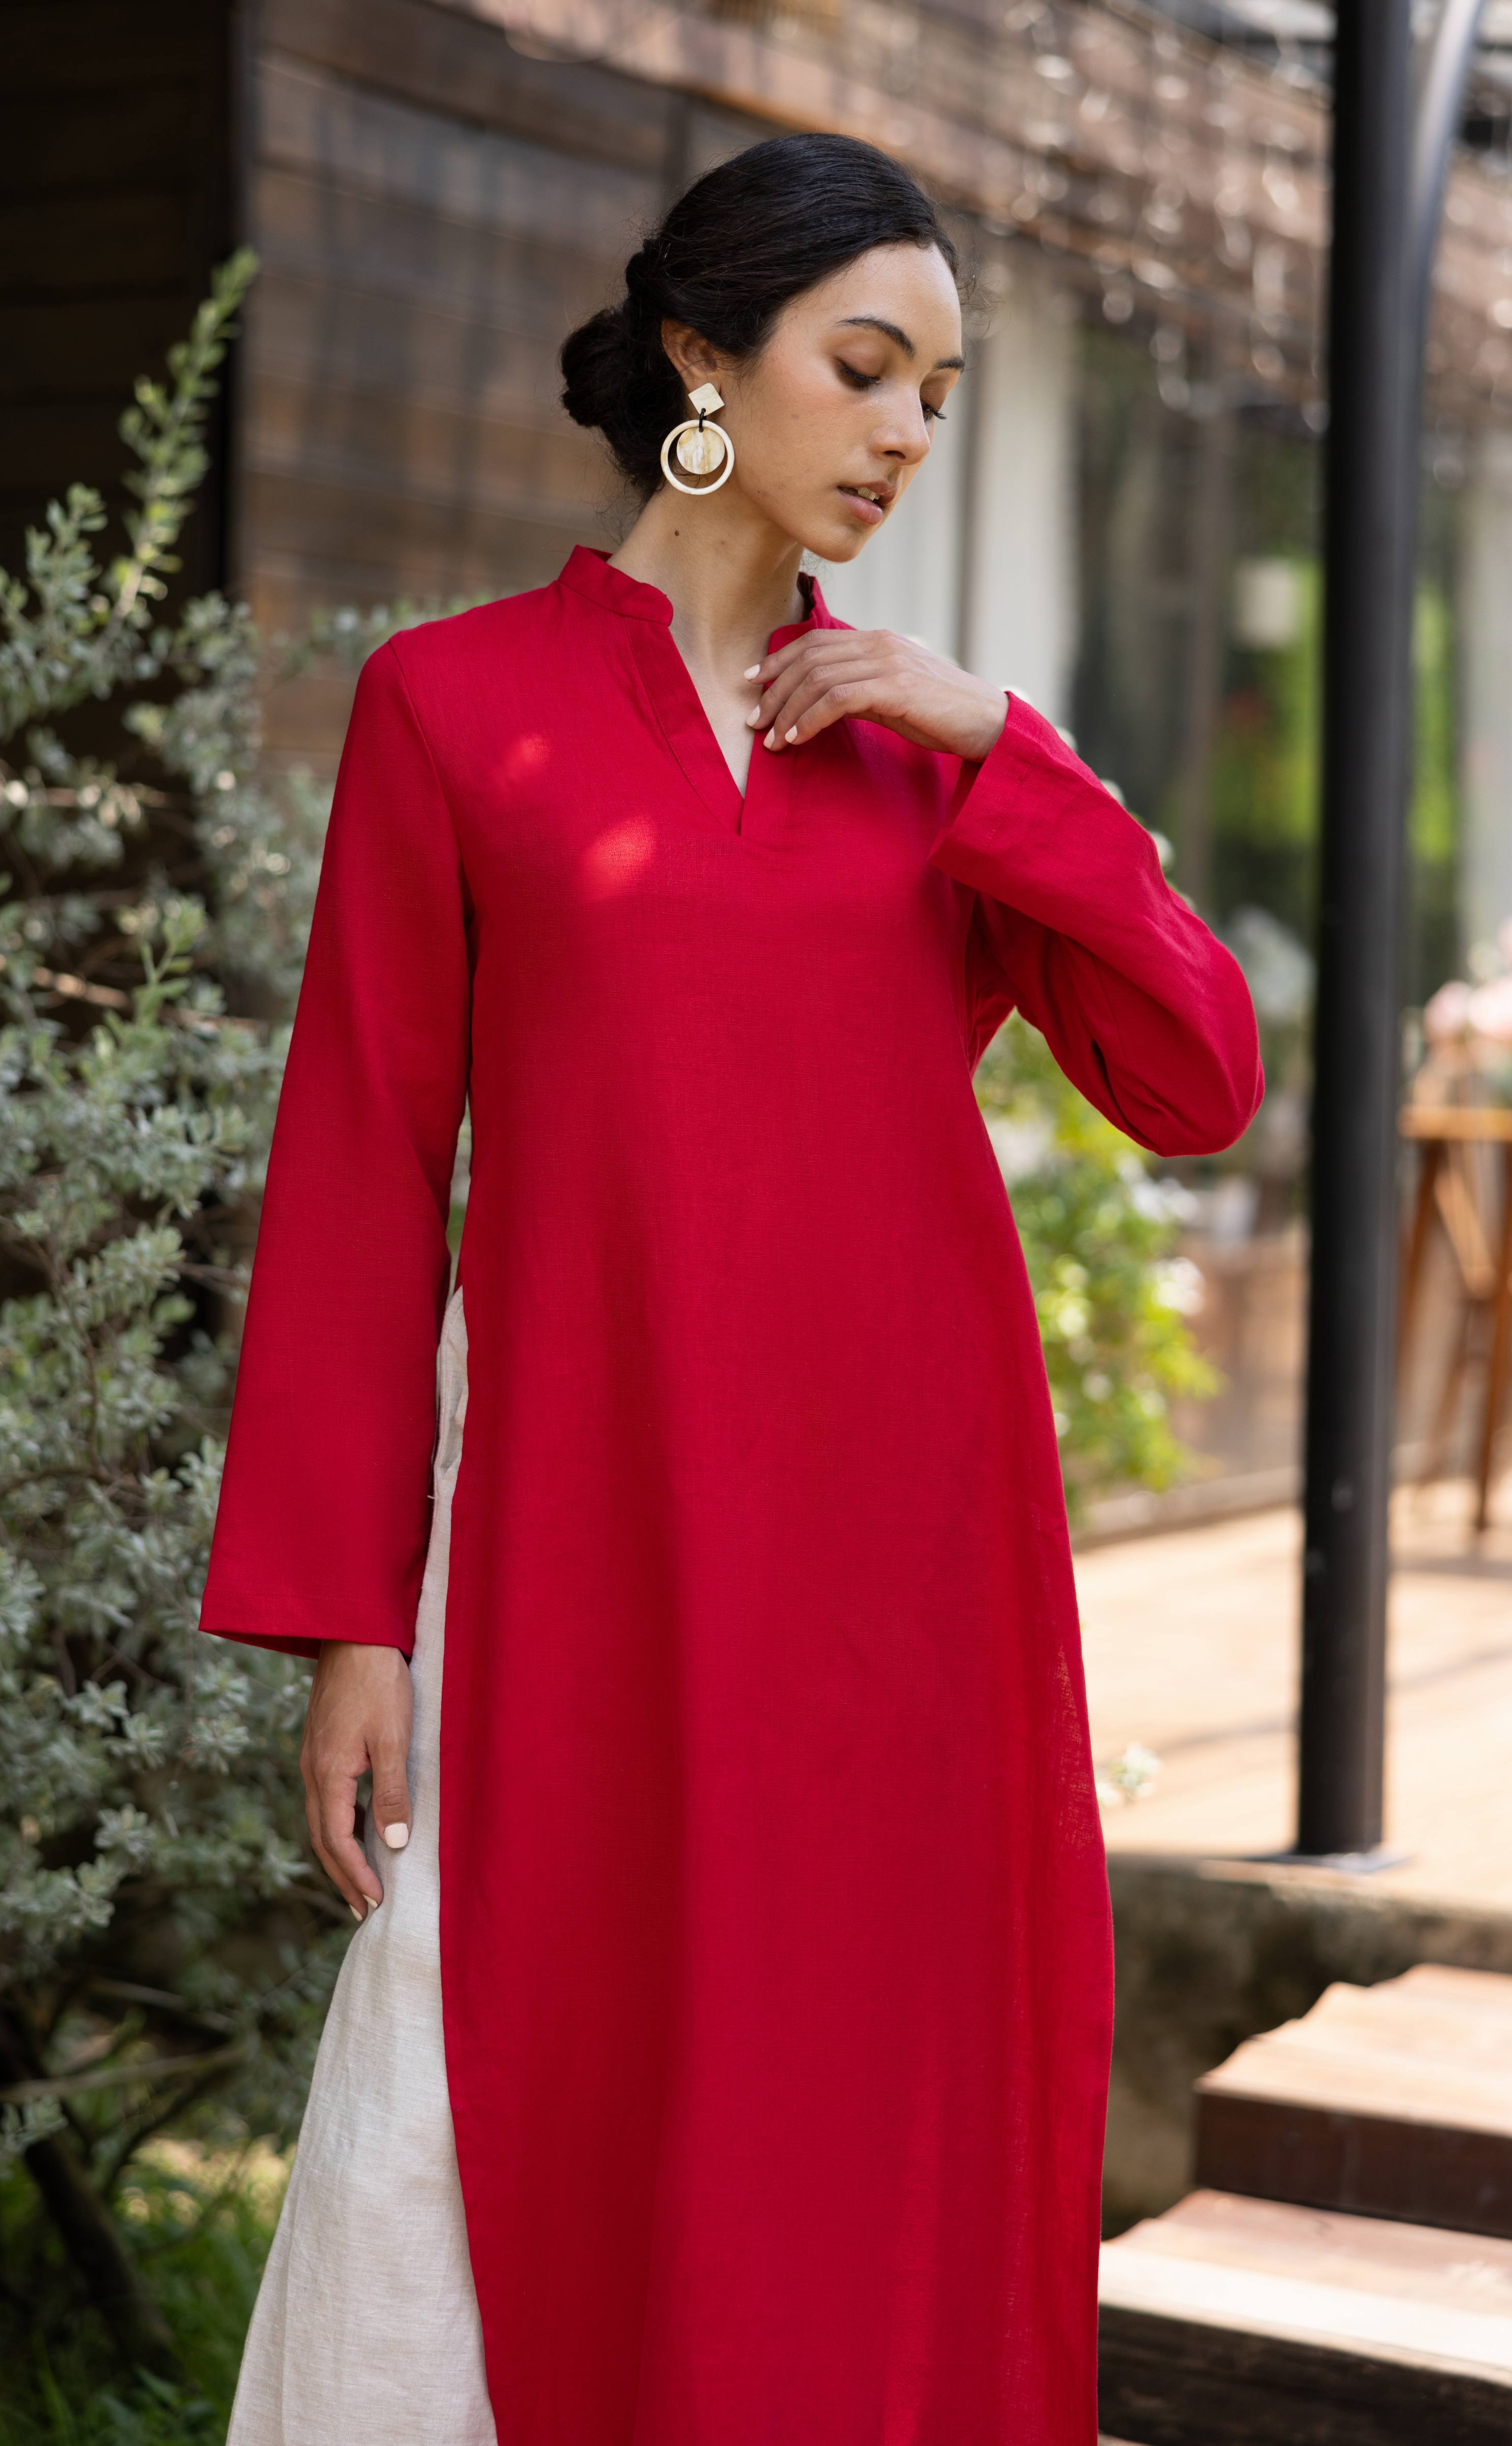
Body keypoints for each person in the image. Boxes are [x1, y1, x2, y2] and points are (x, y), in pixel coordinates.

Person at [201, 130, 1263, 2446]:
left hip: (909, 1576)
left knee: (870, 2101)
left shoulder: (925, 757)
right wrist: (351, 1626)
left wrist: (1008, 749)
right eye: (862, 367)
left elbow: (1194, 1080)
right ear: (703, 356)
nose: (899, 430)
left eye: (939, 398)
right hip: (588, 1540)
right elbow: (363, 1177)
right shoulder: (455, 712)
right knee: (500, 2079)